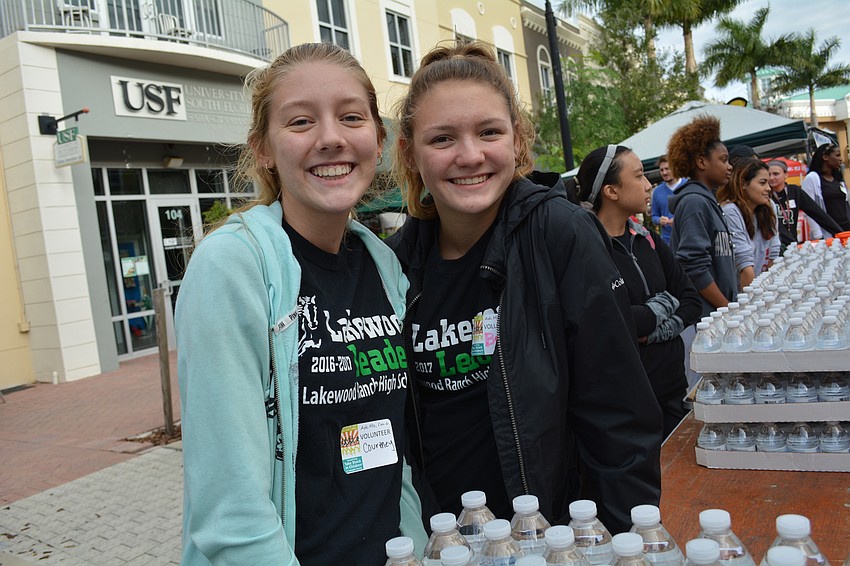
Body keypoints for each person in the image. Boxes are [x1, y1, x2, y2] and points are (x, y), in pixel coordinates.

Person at [389, 41, 662, 534]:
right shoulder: (394, 264)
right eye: (442, 139)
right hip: (437, 541)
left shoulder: (560, 233)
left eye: (489, 132)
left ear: (517, 139)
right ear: (410, 153)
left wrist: (624, 542)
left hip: (551, 536)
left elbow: (618, 418)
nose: (469, 156)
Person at [175, 43, 427, 565]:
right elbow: (230, 511)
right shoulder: (232, 266)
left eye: (351, 117)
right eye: (300, 122)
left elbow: (384, 449)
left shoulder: (383, 263)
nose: (331, 138)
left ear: (378, 140)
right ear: (263, 149)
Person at [572, 145, 701, 438]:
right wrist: (663, 306)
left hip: (671, 387)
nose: (649, 186)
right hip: (623, 404)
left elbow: (691, 301)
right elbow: (606, 322)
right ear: (611, 191)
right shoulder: (586, 251)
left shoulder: (647, 240)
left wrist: (653, 329)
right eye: (640, 176)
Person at [667, 115, 737, 318]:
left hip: (718, 315)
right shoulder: (694, 203)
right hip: (707, 319)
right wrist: (727, 308)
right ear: (701, 162)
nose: (729, 166)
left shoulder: (706, 201)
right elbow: (693, 266)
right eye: (723, 160)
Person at [717, 158, 780, 289]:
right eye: (762, 183)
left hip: (762, 288)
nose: (768, 188)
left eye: (768, 183)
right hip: (742, 295)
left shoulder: (769, 207)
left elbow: (773, 256)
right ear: (743, 184)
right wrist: (753, 303)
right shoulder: (730, 211)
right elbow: (744, 266)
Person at [768, 159, 842, 251]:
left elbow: (817, 213)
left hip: (792, 245)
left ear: (785, 175)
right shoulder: (765, 195)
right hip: (774, 246)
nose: (771, 178)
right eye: (769, 174)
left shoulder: (794, 191)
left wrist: (840, 233)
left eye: (776, 174)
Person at [801, 143, 850, 236]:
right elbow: (809, 208)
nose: (840, 159)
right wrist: (818, 235)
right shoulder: (812, 178)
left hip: (846, 229)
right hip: (828, 233)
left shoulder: (838, 179)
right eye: (837, 155)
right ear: (825, 157)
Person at [650, 155, 685, 245]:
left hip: (687, 237)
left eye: (667, 168)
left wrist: (679, 220)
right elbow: (654, 216)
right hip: (668, 241)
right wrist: (659, 220)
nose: (664, 172)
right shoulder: (657, 191)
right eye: (661, 170)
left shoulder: (688, 185)